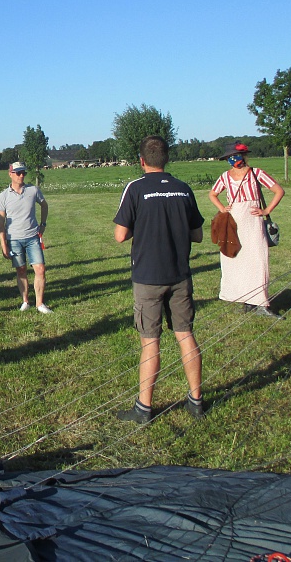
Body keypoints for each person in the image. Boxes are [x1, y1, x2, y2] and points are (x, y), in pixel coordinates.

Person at [113, 135, 206, 424]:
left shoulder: (135, 188)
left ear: (141, 161)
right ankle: (196, 400)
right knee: (185, 335)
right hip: (180, 275)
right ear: (166, 159)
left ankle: (144, 408)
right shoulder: (183, 188)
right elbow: (198, 235)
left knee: (150, 342)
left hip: (148, 277)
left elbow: (120, 235)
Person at [208, 141, 285, 318]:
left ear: (243, 156)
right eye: (229, 157)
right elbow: (212, 194)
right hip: (234, 223)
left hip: (253, 223)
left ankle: (261, 302)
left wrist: (266, 210)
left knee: (258, 260)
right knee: (237, 261)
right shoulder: (225, 177)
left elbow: (278, 191)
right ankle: (246, 300)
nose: (233, 160)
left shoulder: (256, 173)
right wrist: (222, 208)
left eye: (235, 156)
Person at [0, 162, 51, 313]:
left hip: (33, 237)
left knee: (40, 269)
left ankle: (40, 304)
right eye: (18, 173)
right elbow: (1, 225)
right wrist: (3, 245)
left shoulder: (33, 190)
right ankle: (25, 301)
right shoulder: (3, 196)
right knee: (21, 270)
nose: (21, 176)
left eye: (23, 173)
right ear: (10, 174)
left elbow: (44, 205)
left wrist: (43, 224)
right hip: (14, 239)